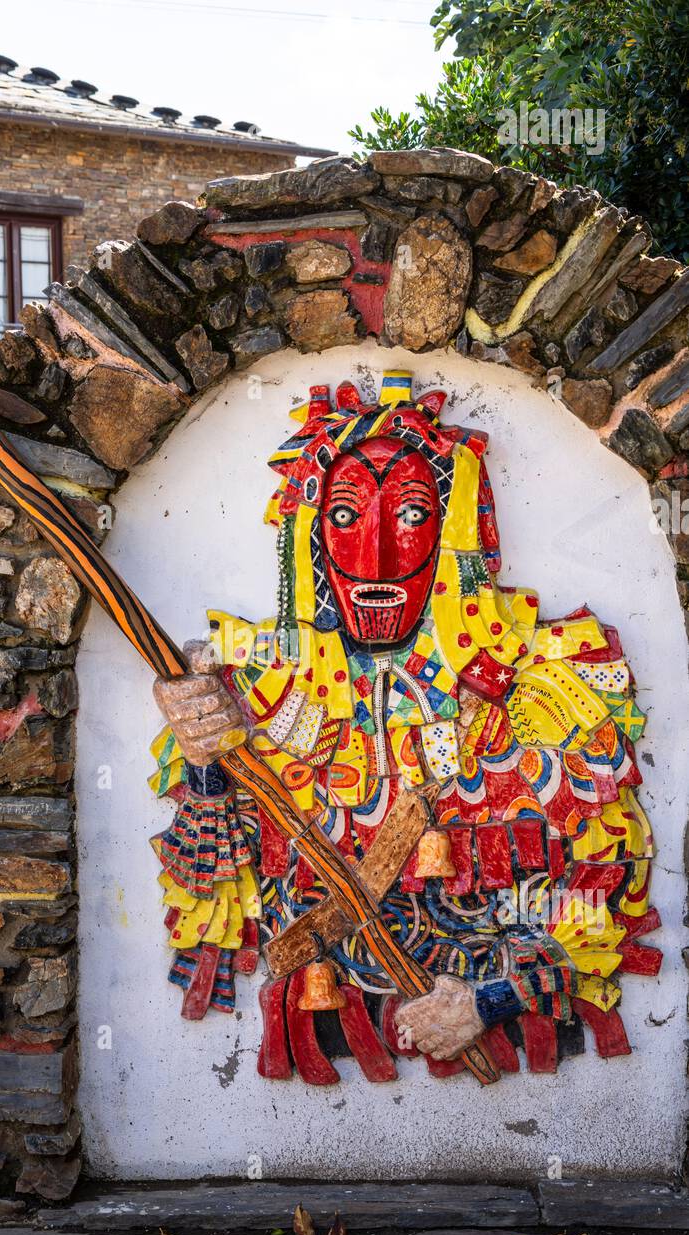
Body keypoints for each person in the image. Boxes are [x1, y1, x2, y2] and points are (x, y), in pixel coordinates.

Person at [150, 371, 660, 1085]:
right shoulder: (253, 690)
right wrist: (204, 756)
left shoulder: (549, 681)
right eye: (348, 518)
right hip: (324, 1022)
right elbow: (214, 882)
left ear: (454, 533)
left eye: (414, 516)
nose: (378, 559)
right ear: (311, 539)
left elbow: (609, 885)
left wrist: (493, 998)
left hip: (500, 1025)